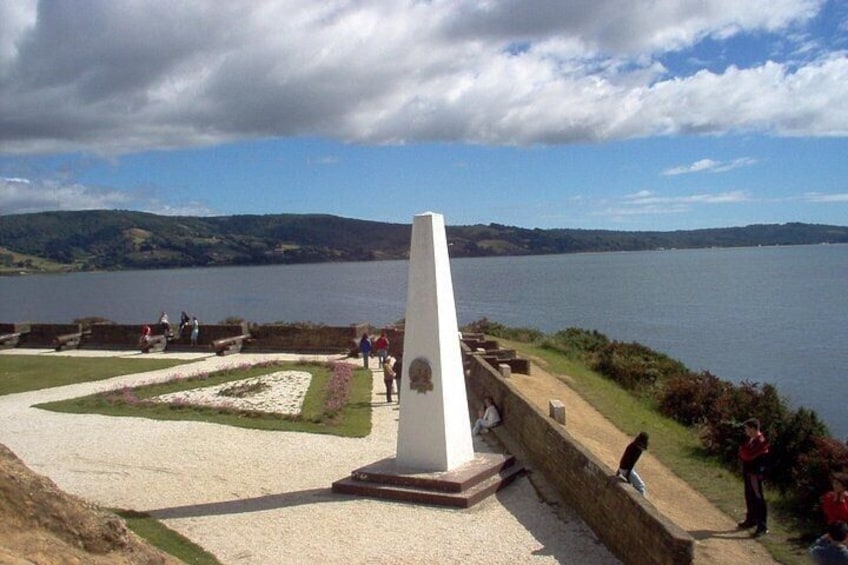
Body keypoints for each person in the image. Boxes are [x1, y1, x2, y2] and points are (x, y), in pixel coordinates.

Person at [737, 418, 770, 538]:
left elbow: (747, 455)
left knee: (758, 498)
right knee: (749, 496)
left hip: (755, 474)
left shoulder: (761, 441)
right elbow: (743, 453)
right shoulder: (751, 440)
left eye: (747, 428)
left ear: (753, 429)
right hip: (748, 472)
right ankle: (751, 520)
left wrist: (743, 452)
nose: (745, 431)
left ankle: (762, 526)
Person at [616, 431, 649, 496]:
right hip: (626, 470)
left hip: (622, 469)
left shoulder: (632, 445)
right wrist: (628, 478)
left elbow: (624, 459)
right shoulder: (638, 450)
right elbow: (630, 465)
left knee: (636, 485)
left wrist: (619, 470)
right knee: (641, 487)